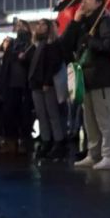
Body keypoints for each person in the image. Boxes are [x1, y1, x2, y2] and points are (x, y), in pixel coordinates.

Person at [60, 0, 110, 170]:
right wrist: (74, 23)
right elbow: (65, 46)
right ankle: (93, 154)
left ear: (98, 2)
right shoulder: (83, 24)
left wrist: (91, 41)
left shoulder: (106, 21)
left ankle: (109, 155)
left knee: (105, 118)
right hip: (85, 79)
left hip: (101, 77)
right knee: (90, 121)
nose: (83, 2)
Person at [24, 19, 67, 159]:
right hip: (36, 83)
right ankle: (46, 140)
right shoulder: (36, 45)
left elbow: (54, 64)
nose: (40, 27)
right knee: (41, 114)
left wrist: (47, 81)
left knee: (52, 114)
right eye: (38, 24)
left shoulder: (54, 44)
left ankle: (58, 142)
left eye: (43, 24)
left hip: (47, 83)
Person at [0, 20, 32, 155]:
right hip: (10, 84)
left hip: (24, 85)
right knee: (9, 114)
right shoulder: (12, 45)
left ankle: (24, 141)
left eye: (22, 26)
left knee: (23, 115)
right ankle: (10, 141)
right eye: (17, 26)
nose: (19, 29)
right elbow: (5, 66)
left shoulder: (30, 45)